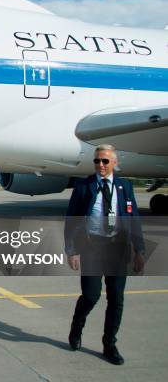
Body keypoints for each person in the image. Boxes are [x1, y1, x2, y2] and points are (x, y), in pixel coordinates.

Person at [65, 144, 145, 365]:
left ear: (115, 163)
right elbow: (71, 220)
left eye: (105, 161)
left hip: (118, 249)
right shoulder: (84, 187)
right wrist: (72, 251)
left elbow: (133, 219)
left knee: (116, 299)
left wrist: (139, 250)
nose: (100, 165)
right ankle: (76, 327)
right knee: (91, 296)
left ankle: (109, 344)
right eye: (97, 161)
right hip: (92, 246)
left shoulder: (124, 187)